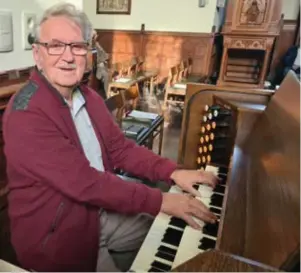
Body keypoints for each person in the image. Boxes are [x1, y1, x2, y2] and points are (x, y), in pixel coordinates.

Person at [3, 3, 218, 272]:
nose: (68, 57)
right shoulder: (26, 114)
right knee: (167, 215)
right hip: (55, 236)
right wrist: (161, 200)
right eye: (55, 45)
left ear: (88, 53)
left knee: (177, 231)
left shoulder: (88, 97)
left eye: (77, 46)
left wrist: (173, 173)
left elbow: (121, 150)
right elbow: (86, 183)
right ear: (38, 54)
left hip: (97, 212)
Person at [93, 30, 109, 99]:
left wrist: (103, 60)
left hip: (101, 65)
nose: (97, 36)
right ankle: (107, 95)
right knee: (106, 76)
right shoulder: (89, 45)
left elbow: (105, 54)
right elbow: (94, 58)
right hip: (96, 67)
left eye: (96, 35)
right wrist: (101, 62)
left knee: (109, 74)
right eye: (95, 35)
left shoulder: (96, 44)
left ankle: (108, 93)